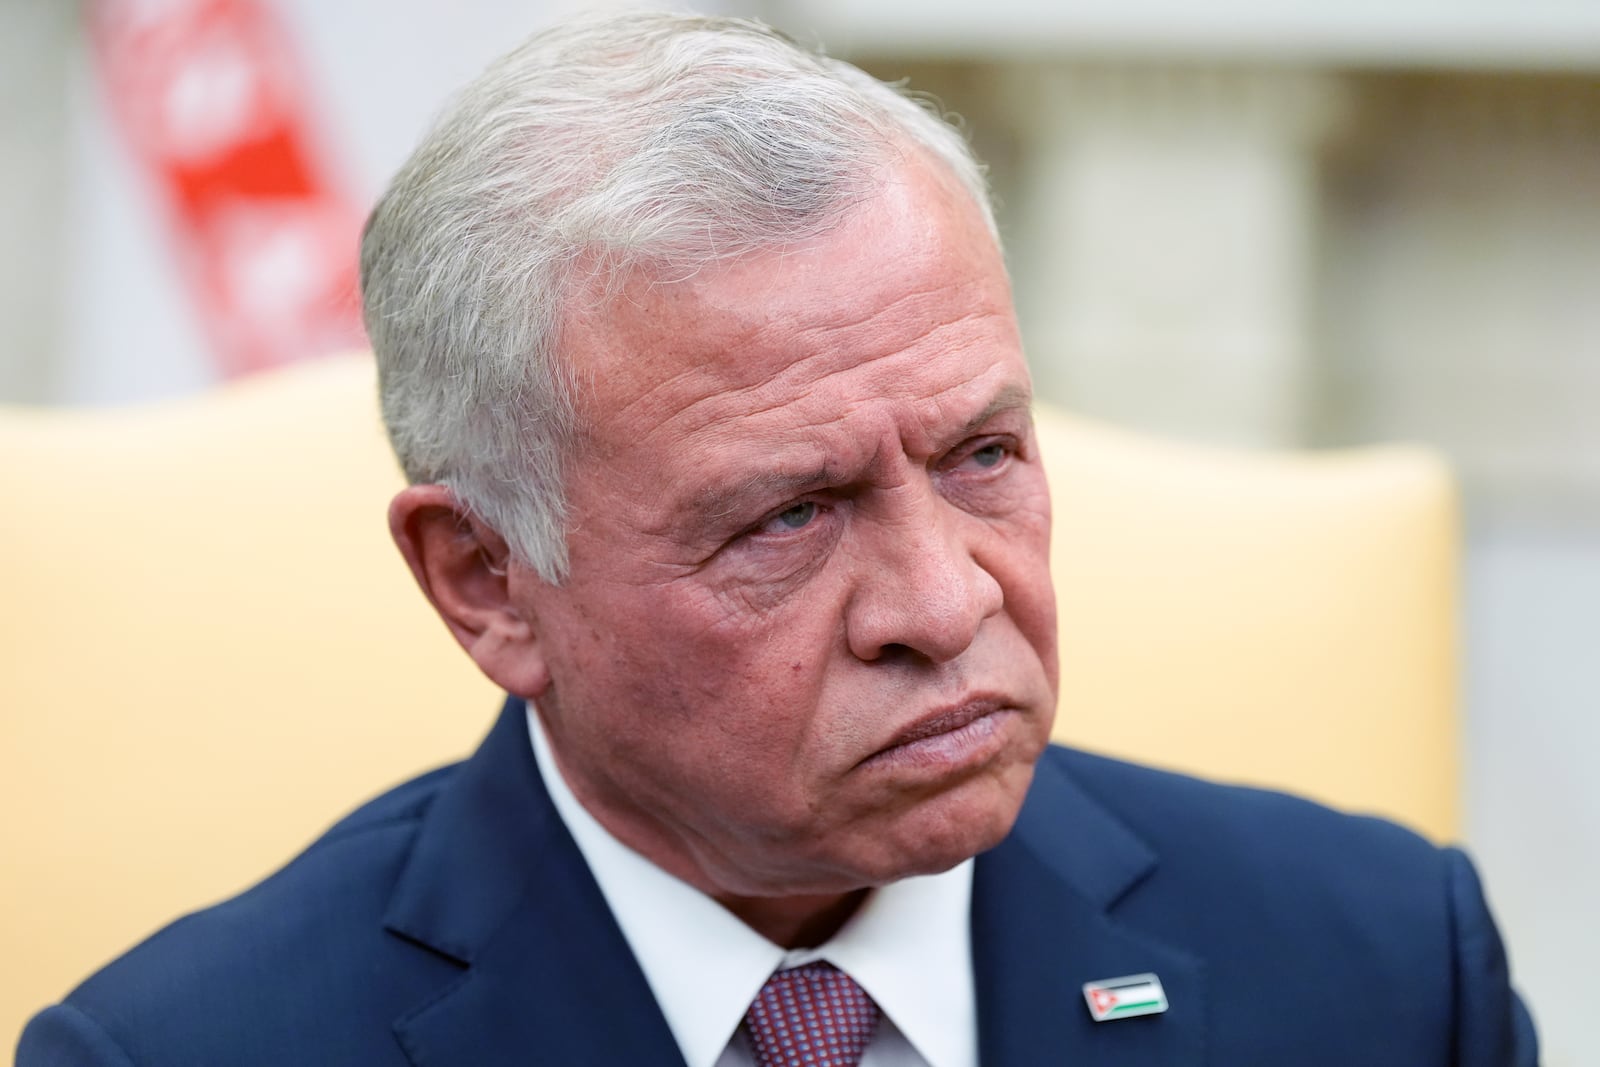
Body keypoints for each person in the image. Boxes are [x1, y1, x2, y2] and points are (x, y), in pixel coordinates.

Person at [19, 11, 1536, 1067]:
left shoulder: (1387, 971)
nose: (942, 603)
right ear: (488, 583)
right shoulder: (181, 1054)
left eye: (984, 454)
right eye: (788, 516)